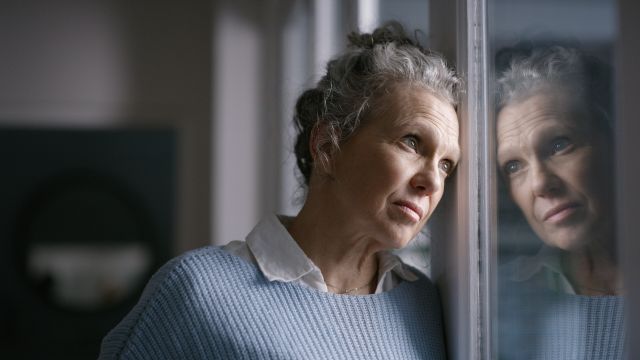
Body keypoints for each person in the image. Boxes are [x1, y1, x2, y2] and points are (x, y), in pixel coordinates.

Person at [99, 22, 461, 360]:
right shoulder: (196, 290)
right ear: (327, 147)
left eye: (447, 164)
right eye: (412, 142)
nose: (432, 181)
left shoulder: (423, 303)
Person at [495, 45, 625, 358]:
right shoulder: (497, 298)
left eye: (559, 144)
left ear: (620, 142)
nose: (540, 183)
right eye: (514, 165)